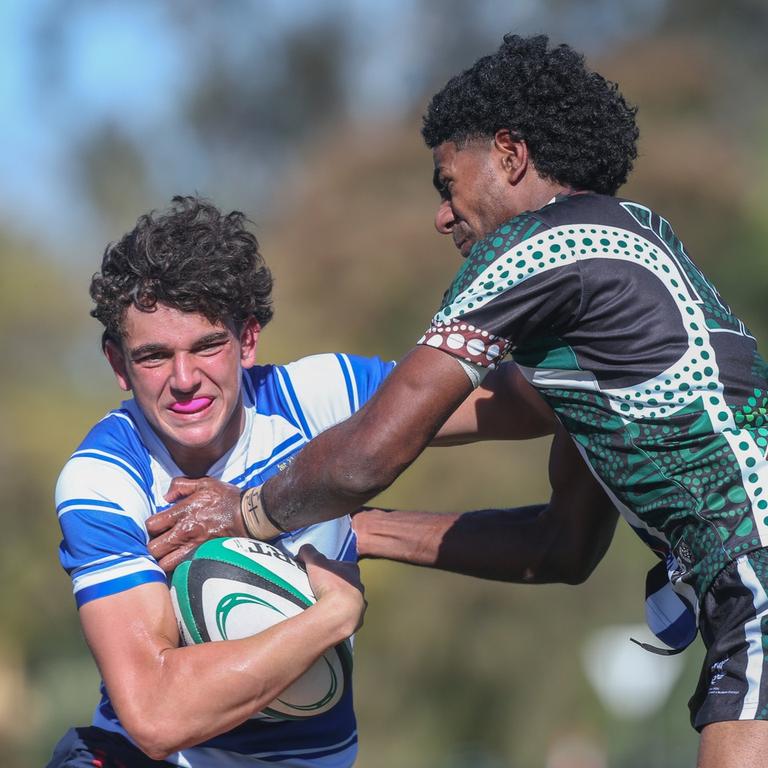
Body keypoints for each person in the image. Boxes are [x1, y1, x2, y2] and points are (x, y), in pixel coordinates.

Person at [147, 36, 768, 767]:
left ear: (509, 154)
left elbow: (371, 451)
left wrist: (247, 511)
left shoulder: (540, 247)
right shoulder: (622, 264)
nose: (444, 216)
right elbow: (559, 546)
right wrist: (361, 532)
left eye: (447, 183)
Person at [49, 195, 375, 767]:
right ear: (118, 365)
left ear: (247, 340)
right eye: (153, 356)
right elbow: (154, 716)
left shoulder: (316, 398)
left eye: (207, 345)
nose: (184, 379)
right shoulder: (103, 478)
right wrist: (331, 617)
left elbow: (513, 400)